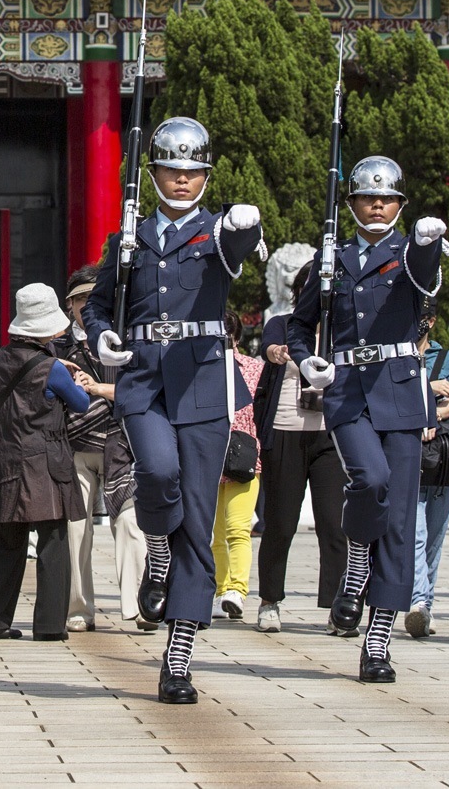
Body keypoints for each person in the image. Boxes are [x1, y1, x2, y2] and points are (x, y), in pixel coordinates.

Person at [82, 117, 265, 704]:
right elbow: (98, 306)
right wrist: (104, 335)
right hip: (142, 379)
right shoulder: (129, 238)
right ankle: (156, 552)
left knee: (197, 512)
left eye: (193, 172)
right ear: (153, 171)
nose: (182, 181)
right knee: (158, 473)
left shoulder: (216, 231)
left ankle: (179, 652)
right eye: (172, 170)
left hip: (203, 381)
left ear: (206, 176)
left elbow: (239, 246)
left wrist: (246, 223)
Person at [288, 155, 449, 684]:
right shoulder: (329, 258)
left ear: (400, 206)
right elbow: (299, 322)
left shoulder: (411, 252)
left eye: (388, 199)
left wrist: (426, 243)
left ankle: (377, 642)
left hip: (401, 394)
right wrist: (304, 358)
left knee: (400, 521)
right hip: (348, 393)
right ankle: (357, 560)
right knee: (371, 479)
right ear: (352, 203)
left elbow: (426, 280)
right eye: (367, 197)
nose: (377, 205)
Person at [0, 284, 88, 641]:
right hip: (45, 460)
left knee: (7, 542)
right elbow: (81, 403)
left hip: (5, 454)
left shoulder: (2, 357)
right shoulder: (53, 369)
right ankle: (50, 625)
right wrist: (74, 378)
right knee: (52, 542)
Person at [254, 263, 347, 634]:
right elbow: (270, 347)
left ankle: (338, 605)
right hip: (286, 430)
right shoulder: (285, 323)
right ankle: (269, 601)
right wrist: (277, 351)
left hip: (331, 434)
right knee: (280, 521)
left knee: (333, 522)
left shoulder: (344, 328)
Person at [54, 265, 144, 633]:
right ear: (70, 304)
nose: (86, 305)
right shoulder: (57, 345)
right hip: (73, 445)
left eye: (94, 297)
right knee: (76, 529)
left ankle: (137, 606)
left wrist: (98, 390)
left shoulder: (124, 340)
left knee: (130, 524)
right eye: (80, 299)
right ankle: (79, 608)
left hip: (120, 442)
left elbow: (142, 390)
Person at [403, 299, 449, 638]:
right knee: (415, 533)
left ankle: (427, 603)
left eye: (424, 316)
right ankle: (419, 602)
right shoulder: (398, 354)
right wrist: (429, 391)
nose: (419, 322)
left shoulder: (447, 357)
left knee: (435, 535)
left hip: (441, 459)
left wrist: (430, 413)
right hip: (409, 453)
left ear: (433, 320)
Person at [211, 311, 264, 621]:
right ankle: (221, 591)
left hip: (245, 457)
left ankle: (237, 590)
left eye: (228, 336)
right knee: (216, 533)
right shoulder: (204, 368)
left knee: (238, 527)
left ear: (237, 338)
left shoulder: (255, 369)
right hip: (211, 457)